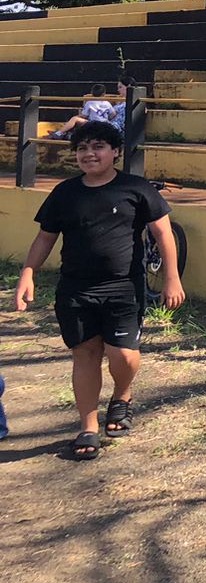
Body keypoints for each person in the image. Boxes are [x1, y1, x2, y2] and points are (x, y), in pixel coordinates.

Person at [14, 122, 184, 460]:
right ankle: (88, 427)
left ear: (116, 152)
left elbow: (164, 234)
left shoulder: (136, 189)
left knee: (122, 354)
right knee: (86, 354)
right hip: (75, 289)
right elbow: (45, 238)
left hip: (124, 287)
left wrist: (171, 278)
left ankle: (122, 394)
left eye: (98, 147)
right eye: (82, 149)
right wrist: (27, 274)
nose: (89, 154)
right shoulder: (65, 193)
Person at [46, 85, 117, 141]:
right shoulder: (107, 103)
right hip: (104, 123)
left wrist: (79, 114)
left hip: (93, 124)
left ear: (92, 93)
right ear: (104, 93)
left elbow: (84, 116)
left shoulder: (90, 102)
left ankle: (59, 133)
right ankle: (61, 133)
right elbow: (113, 114)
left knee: (74, 119)